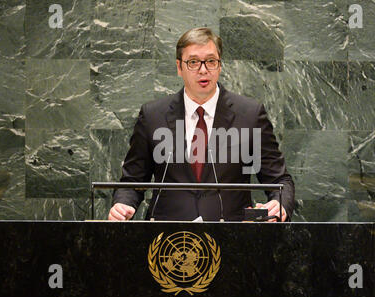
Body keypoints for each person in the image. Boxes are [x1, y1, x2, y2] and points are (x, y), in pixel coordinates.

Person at [108, 27, 294, 222]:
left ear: (220, 66)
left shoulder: (250, 115)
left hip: (233, 237)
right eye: (193, 62)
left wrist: (280, 204)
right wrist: (123, 204)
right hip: (168, 239)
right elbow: (132, 181)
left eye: (211, 61)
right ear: (179, 67)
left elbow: (280, 180)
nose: (203, 70)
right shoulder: (153, 115)